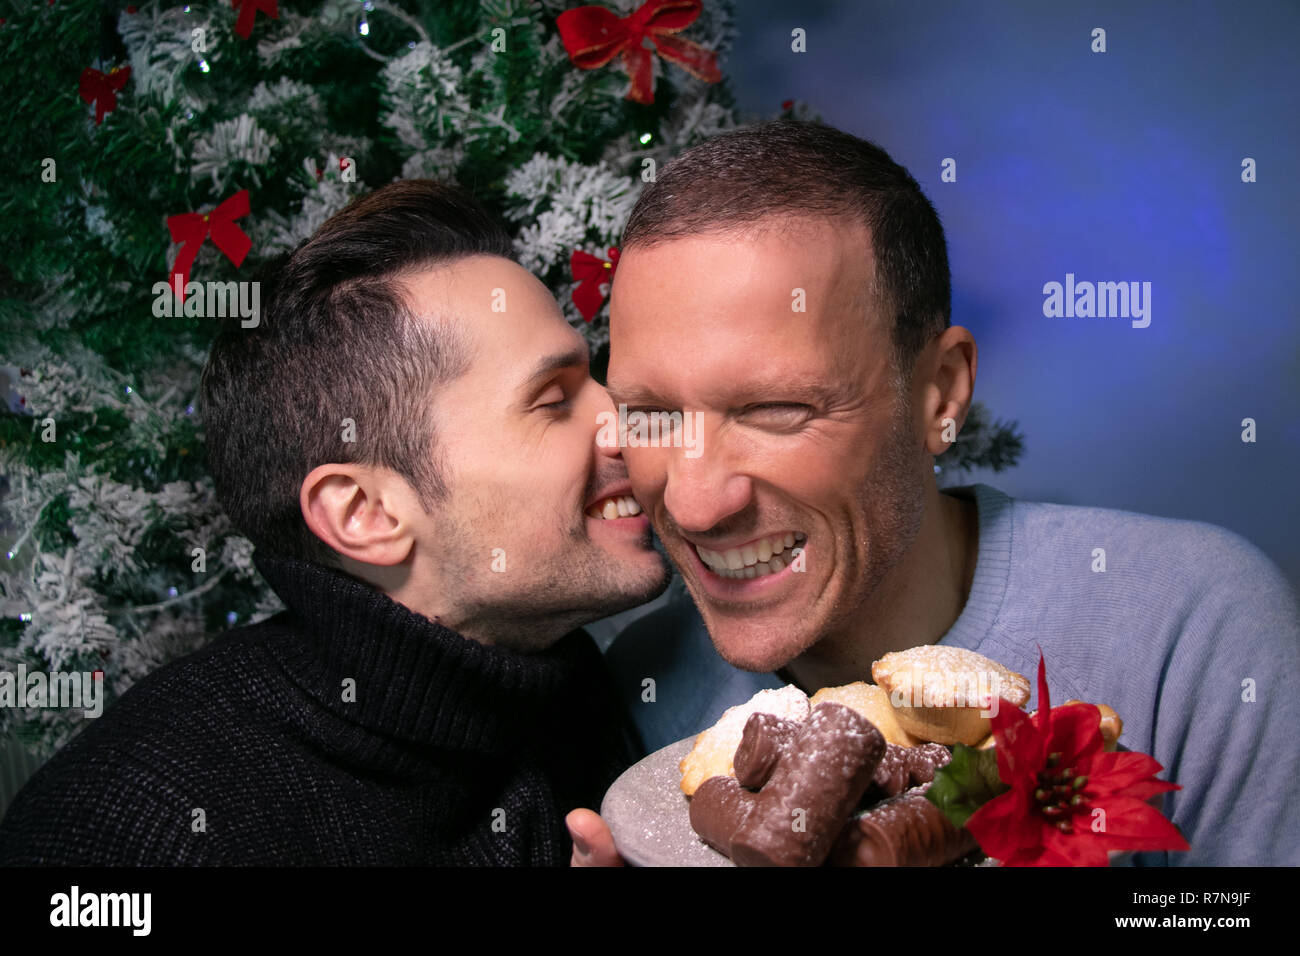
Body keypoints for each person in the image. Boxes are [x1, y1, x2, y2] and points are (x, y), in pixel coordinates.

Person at [566, 120, 1300, 866]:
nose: (693, 504)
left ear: (940, 394)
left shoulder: (1194, 627)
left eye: (775, 411)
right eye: (650, 415)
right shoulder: (644, 679)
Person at [0, 180, 669, 865]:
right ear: (365, 514)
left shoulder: (566, 680)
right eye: (553, 400)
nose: (628, 424)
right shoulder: (137, 833)